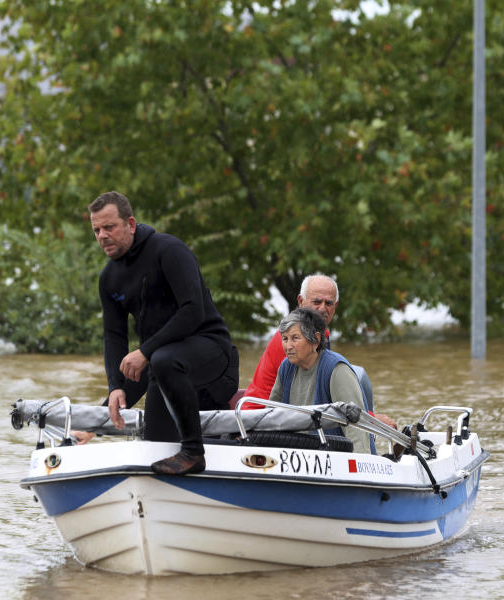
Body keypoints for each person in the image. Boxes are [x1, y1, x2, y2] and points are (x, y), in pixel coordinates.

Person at [87, 191, 238, 475]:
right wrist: (115, 387)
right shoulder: (109, 278)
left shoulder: (168, 250)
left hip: (212, 351)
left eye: (109, 227)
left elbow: (193, 311)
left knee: (162, 359)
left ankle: (194, 452)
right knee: (156, 445)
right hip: (163, 362)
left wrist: (144, 351)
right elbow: (114, 336)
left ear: (130, 224)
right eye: (96, 230)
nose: (102, 236)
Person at [268, 308, 375, 454]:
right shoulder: (285, 368)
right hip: (299, 456)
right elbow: (271, 415)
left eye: (295, 338)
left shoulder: (337, 369)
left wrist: (360, 464)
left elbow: (356, 428)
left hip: (336, 456)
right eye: (285, 339)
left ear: (316, 340)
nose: (288, 346)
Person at [245, 274, 338, 399]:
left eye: (328, 303)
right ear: (300, 301)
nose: (322, 308)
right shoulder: (291, 338)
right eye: (316, 302)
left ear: (335, 306)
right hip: (262, 412)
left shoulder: (322, 333)